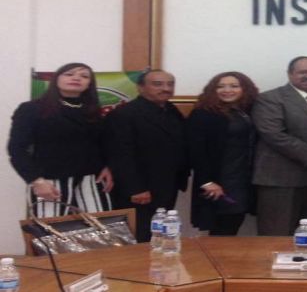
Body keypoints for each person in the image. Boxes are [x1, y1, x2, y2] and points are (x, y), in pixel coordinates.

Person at [252, 56, 307, 236]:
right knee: (277, 234)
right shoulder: (270, 98)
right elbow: (274, 134)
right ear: (290, 74)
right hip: (282, 178)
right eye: (303, 72)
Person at [8, 62, 113, 217]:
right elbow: (17, 149)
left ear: (89, 84)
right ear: (56, 79)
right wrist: (36, 181)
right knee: (50, 228)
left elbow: (100, 144)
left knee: (102, 226)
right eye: (69, 74)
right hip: (49, 179)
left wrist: (107, 166)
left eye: (84, 76)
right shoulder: (32, 109)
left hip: (90, 179)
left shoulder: (93, 111)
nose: (76, 78)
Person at [107, 69, 188, 242]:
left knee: (160, 235)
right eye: (158, 84)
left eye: (170, 84)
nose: (166, 88)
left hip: (167, 184)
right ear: (140, 87)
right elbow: (121, 154)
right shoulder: (124, 114)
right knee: (140, 236)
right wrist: (135, 188)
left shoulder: (171, 110)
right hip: (141, 188)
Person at [187, 71, 259, 236]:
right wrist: (206, 182)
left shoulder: (245, 111)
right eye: (221, 86)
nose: (227, 90)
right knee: (222, 228)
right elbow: (195, 150)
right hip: (219, 179)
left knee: (234, 222)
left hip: (242, 178)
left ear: (245, 89)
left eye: (234, 86)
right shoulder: (203, 113)